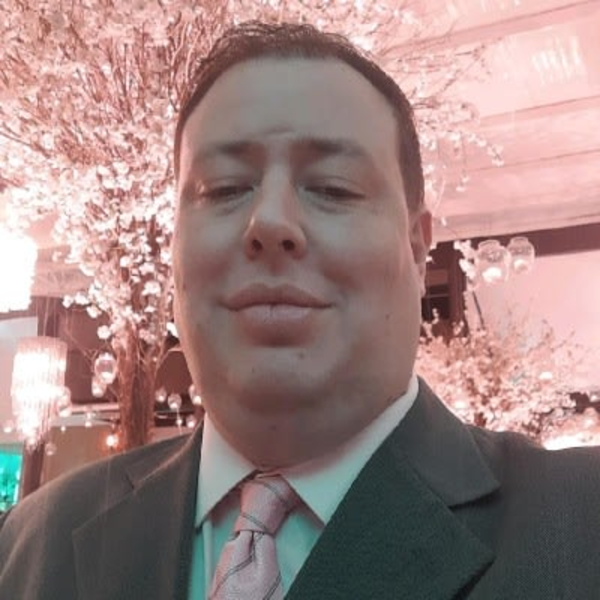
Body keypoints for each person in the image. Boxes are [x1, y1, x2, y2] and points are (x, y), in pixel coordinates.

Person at [1, 20, 600, 600]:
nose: (269, 222)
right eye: (223, 189)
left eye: (334, 188)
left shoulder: (579, 524)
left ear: (418, 249)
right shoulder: (34, 541)